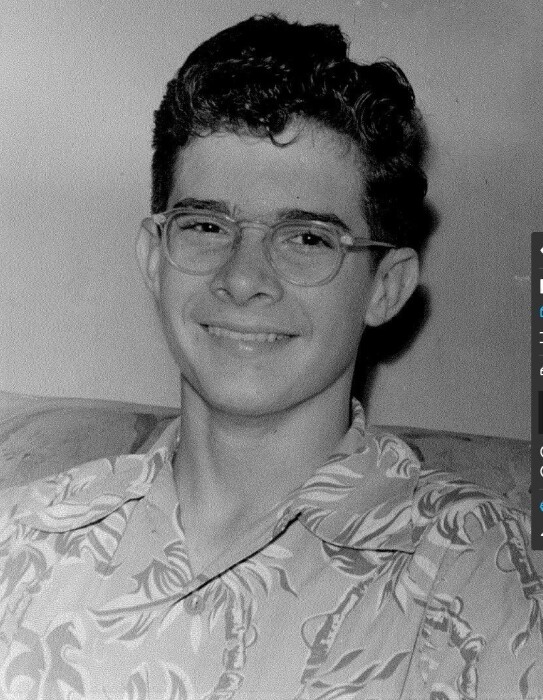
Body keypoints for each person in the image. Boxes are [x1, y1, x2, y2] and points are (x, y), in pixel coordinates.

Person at [0, 14, 541, 700]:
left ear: (385, 287)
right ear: (154, 258)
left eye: (307, 238)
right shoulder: (25, 541)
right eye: (206, 225)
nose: (242, 277)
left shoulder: (484, 573)